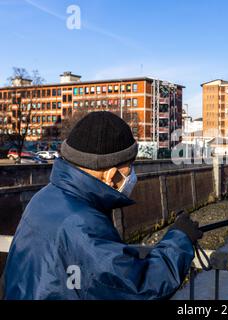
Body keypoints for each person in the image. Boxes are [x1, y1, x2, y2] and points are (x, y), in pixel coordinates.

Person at [2, 111, 203, 300]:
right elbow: (138, 287)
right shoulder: (83, 224)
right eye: (130, 166)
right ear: (110, 174)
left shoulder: (44, 198)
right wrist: (179, 239)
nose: (132, 174)